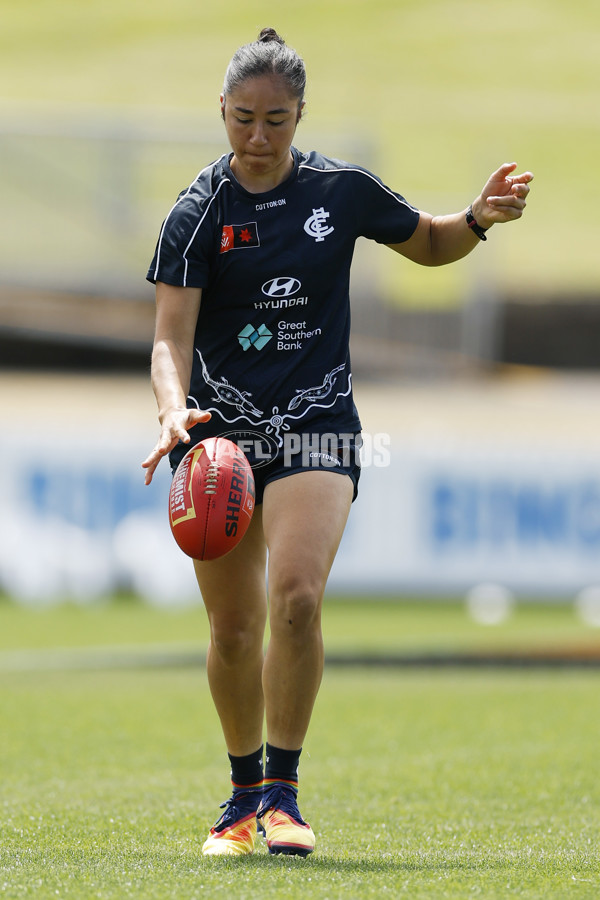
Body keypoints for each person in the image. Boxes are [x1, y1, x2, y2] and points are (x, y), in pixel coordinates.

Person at [142, 27, 533, 857]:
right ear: (220, 110)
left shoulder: (339, 190)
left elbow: (428, 241)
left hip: (319, 425)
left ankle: (283, 795)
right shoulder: (195, 213)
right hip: (215, 440)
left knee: (298, 598)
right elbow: (169, 339)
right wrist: (172, 411)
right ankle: (240, 798)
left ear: (299, 115)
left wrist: (477, 218)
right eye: (242, 118)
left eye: (276, 120)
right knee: (235, 630)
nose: (257, 137)